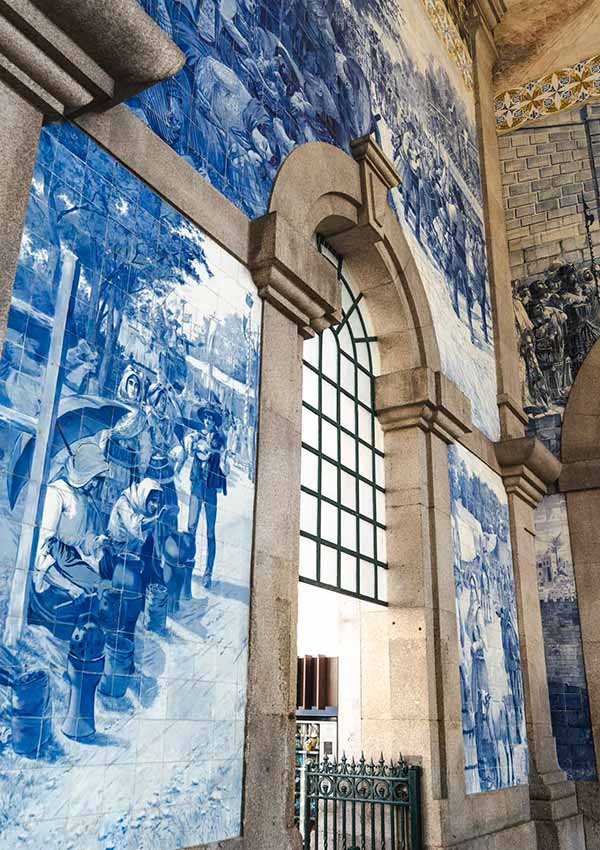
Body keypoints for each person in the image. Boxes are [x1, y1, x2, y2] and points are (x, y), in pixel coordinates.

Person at [29, 442, 110, 639]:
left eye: (99, 480)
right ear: (83, 472)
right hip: (54, 560)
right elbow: (41, 548)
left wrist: (95, 542)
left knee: (100, 586)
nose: (95, 485)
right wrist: (68, 586)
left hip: (70, 557)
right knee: (84, 594)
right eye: (94, 478)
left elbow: (80, 539)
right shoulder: (56, 493)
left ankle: (87, 635)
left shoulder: (82, 496)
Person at [185, 405, 230, 589]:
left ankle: (208, 573)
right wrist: (195, 444)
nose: (207, 421)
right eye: (206, 418)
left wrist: (223, 458)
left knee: (210, 532)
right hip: (197, 485)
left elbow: (225, 467)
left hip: (211, 488)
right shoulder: (197, 435)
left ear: (214, 422)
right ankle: (188, 565)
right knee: (191, 526)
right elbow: (188, 445)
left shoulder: (220, 439)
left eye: (211, 419)